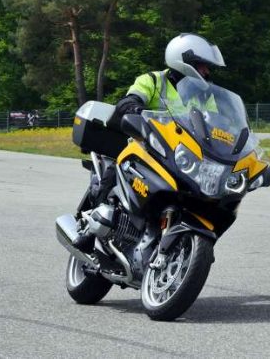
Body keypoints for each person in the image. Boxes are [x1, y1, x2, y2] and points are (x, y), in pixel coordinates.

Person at [75, 33, 226, 252]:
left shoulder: (204, 95)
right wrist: (134, 108)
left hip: (180, 155)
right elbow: (129, 100)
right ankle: (89, 229)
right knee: (118, 167)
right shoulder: (153, 80)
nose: (207, 71)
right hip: (147, 146)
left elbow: (214, 124)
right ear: (185, 62)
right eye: (202, 65)